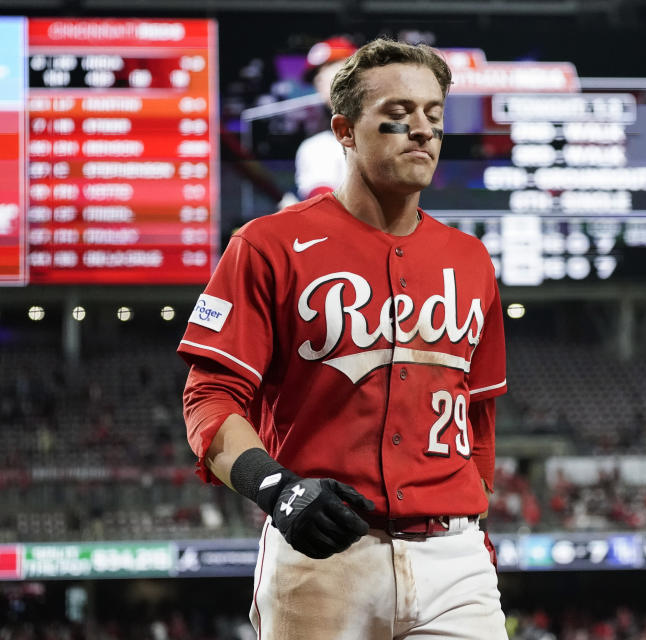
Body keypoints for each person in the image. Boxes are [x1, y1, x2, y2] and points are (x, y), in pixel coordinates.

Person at [178, 38, 509, 639]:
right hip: (324, 552)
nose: (423, 132)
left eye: (434, 115)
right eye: (400, 115)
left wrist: (473, 524)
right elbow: (209, 397)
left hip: (454, 561)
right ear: (345, 131)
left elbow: (478, 412)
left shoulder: (472, 261)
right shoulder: (266, 245)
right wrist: (278, 491)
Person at [294, 36, 357, 200]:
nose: (319, 78)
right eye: (316, 73)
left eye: (330, 65)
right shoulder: (318, 148)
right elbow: (324, 208)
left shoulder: (398, 122)